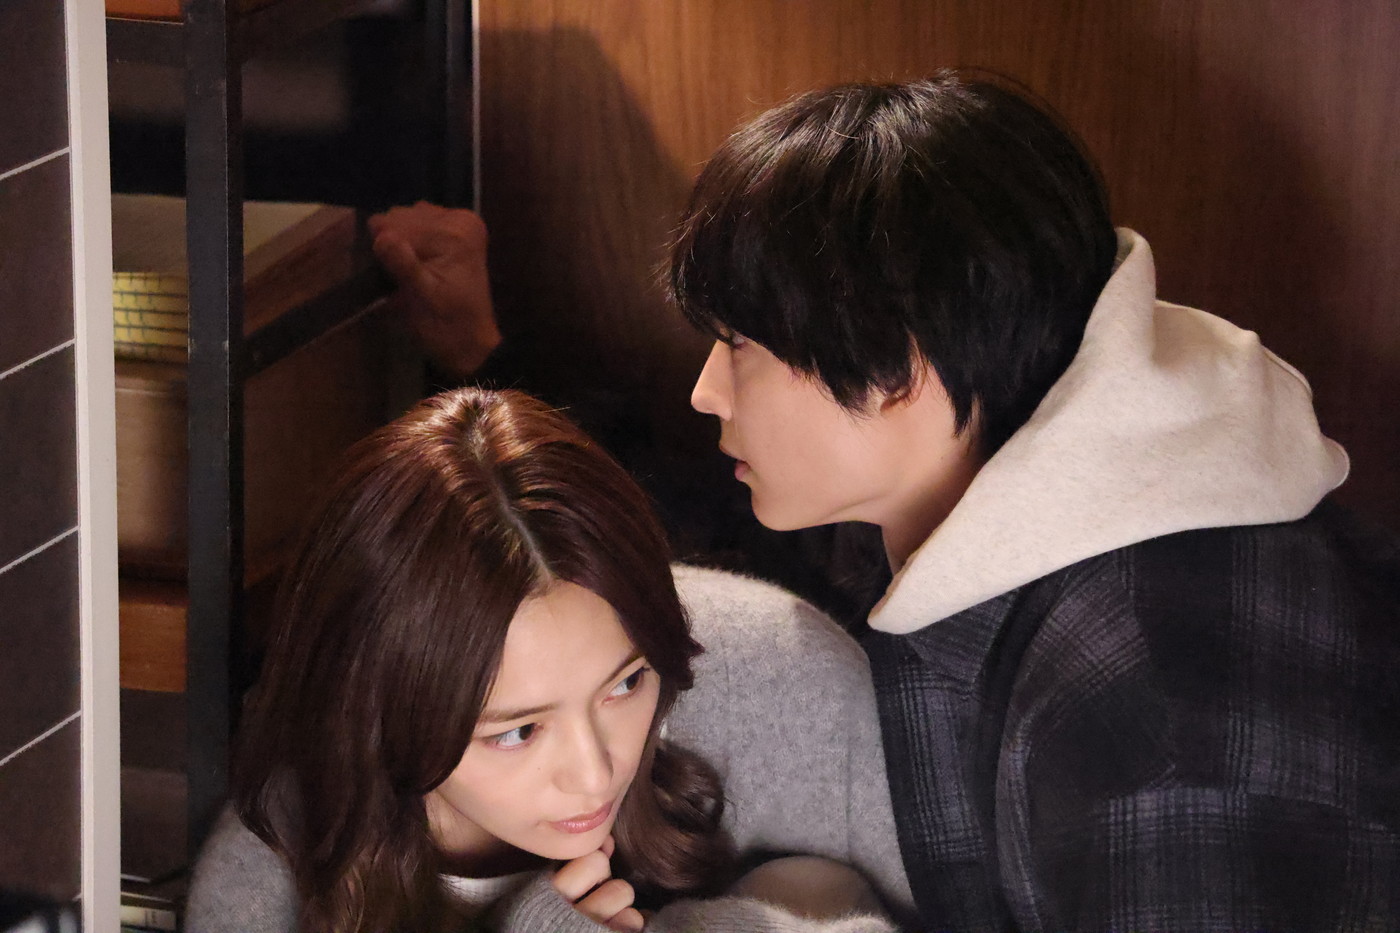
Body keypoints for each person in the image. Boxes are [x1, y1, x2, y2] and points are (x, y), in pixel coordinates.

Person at [371, 72, 1400, 930]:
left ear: (898, 367)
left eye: (738, 346)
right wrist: (488, 359)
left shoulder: (1168, 736)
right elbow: (699, 534)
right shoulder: (1003, 492)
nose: (707, 390)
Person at [185, 387, 915, 933]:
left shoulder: (783, 678)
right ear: (378, 714)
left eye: (625, 684)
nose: (595, 774)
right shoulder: (265, 877)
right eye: (518, 731)